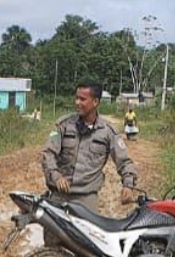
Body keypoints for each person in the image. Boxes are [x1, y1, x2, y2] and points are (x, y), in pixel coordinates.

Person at [41, 82, 138, 239]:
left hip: (86, 198)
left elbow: (124, 161)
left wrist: (128, 185)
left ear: (95, 102)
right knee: (52, 243)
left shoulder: (108, 132)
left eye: (82, 99)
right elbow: (48, 153)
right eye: (76, 98)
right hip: (59, 195)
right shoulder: (62, 125)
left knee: (89, 245)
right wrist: (56, 176)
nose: (77, 102)